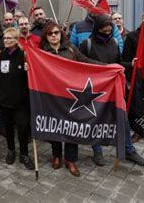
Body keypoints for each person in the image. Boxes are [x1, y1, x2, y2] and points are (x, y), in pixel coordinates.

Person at [79, 15, 144, 168]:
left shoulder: (113, 42)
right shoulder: (87, 44)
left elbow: (117, 63)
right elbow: (81, 65)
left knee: (122, 119)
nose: (107, 34)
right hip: (95, 90)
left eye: (109, 31)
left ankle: (129, 150)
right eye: (104, 31)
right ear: (97, 29)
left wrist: (130, 64)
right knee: (96, 120)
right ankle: (97, 150)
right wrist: (104, 69)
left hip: (114, 89)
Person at [39, 22, 101, 177]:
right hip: (51, 96)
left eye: (56, 33)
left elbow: (86, 61)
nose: (53, 36)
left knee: (72, 127)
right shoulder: (42, 52)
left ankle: (70, 160)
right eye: (50, 33)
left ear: (61, 34)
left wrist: (108, 66)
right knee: (54, 127)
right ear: (46, 36)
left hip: (71, 97)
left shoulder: (71, 49)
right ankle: (57, 156)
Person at [0, 27, 34, 170]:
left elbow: (32, 78)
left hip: (21, 101)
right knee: (8, 128)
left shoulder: (24, 55)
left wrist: (28, 70)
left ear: (16, 40)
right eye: (5, 38)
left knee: (23, 128)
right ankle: (11, 151)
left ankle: (24, 154)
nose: (6, 40)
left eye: (9, 38)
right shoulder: (0, 54)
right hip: (5, 100)